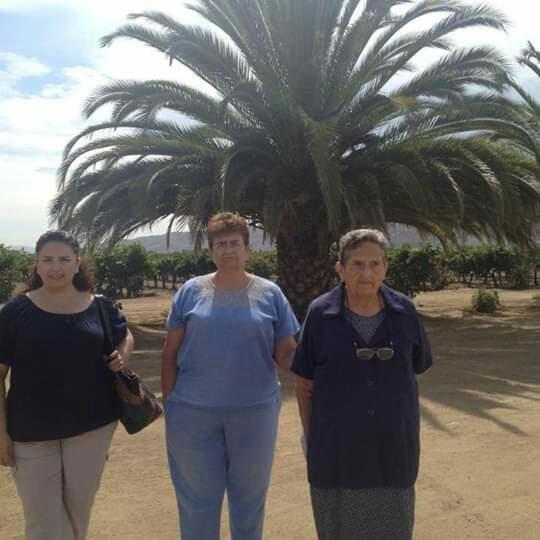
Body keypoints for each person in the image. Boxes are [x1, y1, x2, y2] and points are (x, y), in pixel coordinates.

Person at [162, 212, 299, 540]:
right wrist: (171, 405)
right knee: (197, 503)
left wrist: (323, 364)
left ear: (247, 249)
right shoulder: (190, 292)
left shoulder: (271, 294)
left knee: (249, 502)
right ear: (211, 251)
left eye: (235, 243)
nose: (228, 250)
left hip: (255, 413)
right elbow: (169, 353)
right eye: (220, 244)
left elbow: (286, 353)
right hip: (192, 415)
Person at [292, 229, 433, 540]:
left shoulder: (404, 313)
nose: (366, 273)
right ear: (340, 269)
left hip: (392, 447)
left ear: (385, 268)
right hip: (336, 450)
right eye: (357, 264)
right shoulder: (320, 314)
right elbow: (304, 384)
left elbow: (418, 365)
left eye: (374, 264)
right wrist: (314, 437)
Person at [0, 230, 134, 540]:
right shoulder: (15, 313)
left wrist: (123, 355)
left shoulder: (100, 306)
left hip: (92, 426)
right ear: (36, 265)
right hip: (30, 432)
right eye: (47, 259)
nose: (55, 267)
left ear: (77, 263)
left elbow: (124, 335)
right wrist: (1, 431)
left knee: (77, 512)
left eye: (64, 259)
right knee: (42, 518)